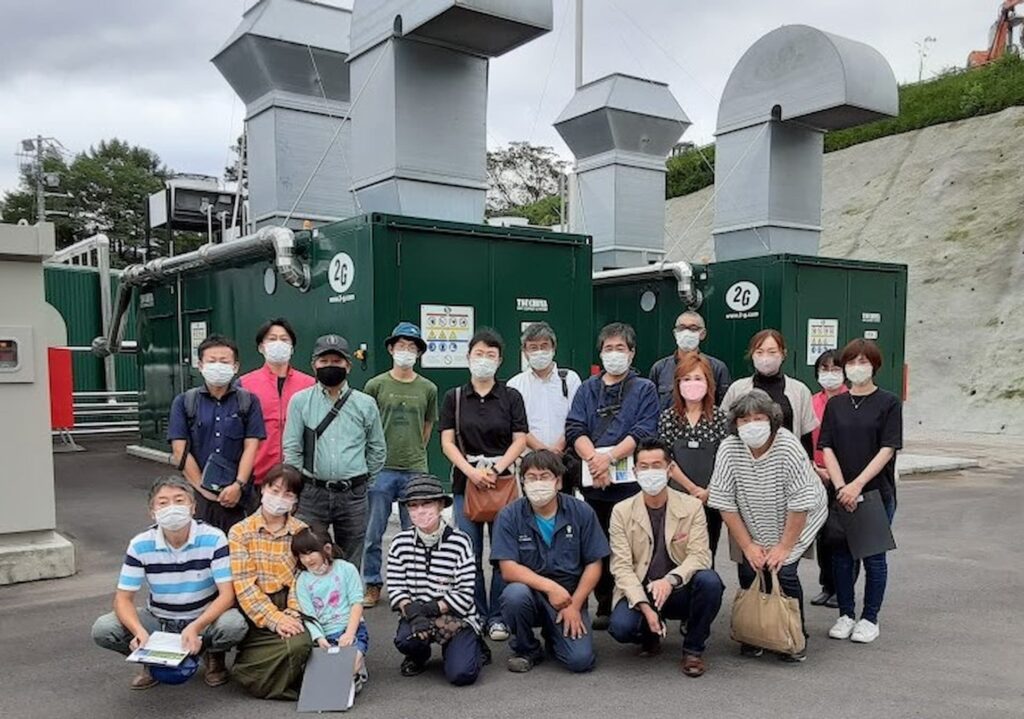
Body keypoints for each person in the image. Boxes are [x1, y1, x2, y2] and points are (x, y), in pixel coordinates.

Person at [91, 476, 247, 689]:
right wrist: (138, 631)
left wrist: (196, 627)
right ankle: (150, 661)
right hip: (159, 619)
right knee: (104, 629)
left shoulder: (214, 538)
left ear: (193, 507)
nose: (172, 508)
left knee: (233, 625)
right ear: (152, 512)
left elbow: (227, 595)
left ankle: (213, 655)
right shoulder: (140, 544)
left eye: (179, 500)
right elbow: (123, 599)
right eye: (163, 503)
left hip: (203, 619)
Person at [708, 389, 827, 662]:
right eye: (744, 420)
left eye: (758, 418)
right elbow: (724, 500)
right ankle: (754, 632)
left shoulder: (788, 446)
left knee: (783, 571)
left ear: (772, 419)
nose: (752, 425)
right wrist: (748, 546)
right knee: (750, 570)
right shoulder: (729, 447)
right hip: (751, 516)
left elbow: (800, 502)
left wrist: (784, 547)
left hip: (797, 518)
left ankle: (793, 635)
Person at [564, 322, 659, 628]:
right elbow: (574, 428)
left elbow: (644, 429)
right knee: (598, 545)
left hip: (630, 483)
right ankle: (604, 601)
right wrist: (595, 460)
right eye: (608, 348)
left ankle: (632, 599)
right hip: (594, 481)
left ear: (632, 353)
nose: (614, 354)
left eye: (620, 348)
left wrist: (610, 458)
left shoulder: (644, 389)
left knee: (633, 545)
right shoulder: (587, 389)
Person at [439, 328, 528, 642]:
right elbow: (447, 442)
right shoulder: (454, 397)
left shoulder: (511, 397)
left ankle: (499, 617)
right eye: (479, 353)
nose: (484, 360)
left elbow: (520, 439)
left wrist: (495, 468)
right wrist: (471, 472)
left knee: (503, 553)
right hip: (465, 485)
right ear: (468, 357)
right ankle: (475, 612)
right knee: (469, 554)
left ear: (500, 360)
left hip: (502, 483)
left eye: (491, 355)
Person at [607, 438, 724, 677]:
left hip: (679, 587)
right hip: (642, 587)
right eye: (644, 467)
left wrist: (670, 580)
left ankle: (693, 649)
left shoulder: (691, 506)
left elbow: (700, 556)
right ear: (635, 472)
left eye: (657, 466)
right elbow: (621, 567)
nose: (650, 472)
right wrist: (645, 607)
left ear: (670, 470)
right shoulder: (621, 511)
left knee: (710, 582)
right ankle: (649, 633)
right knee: (621, 628)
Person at [491, 450, 609, 673]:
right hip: (531, 594)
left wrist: (575, 604)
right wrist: (550, 587)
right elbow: (508, 568)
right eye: (531, 477)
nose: (538, 483)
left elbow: (595, 563)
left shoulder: (581, 512)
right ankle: (527, 649)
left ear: (558, 481)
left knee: (580, 661)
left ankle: (555, 637)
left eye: (544, 476)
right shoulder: (509, 515)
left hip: (569, 597)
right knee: (514, 595)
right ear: (522, 482)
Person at [819, 339, 902, 645]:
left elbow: (888, 448)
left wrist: (857, 485)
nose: (857, 367)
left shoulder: (888, 402)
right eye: (851, 362)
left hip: (875, 492)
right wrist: (842, 486)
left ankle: (869, 618)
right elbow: (826, 446)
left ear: (875, 365)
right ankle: (845, 613)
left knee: (873, 558)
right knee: (841, 556)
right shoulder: (836, 404)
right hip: (842, 492)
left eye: (863, 362)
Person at [283, 334, 386, 568]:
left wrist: (364, 482)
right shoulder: (300, 401)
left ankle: (348, 593)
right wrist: (298, 488)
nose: (330, 366)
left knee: (350, 559)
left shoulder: (365, 403)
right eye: (324, 361)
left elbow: (377, 448)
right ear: (314, 365)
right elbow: (292, 448)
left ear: (348, 366)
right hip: (312, 492)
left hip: (353, 494)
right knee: (308, 555)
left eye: (337, 361)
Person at [361, 322, 438, 608]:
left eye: (412, 347)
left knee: (417, 531)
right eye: (401, 346)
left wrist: (415, 449)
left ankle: (413, 585)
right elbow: (366, 424)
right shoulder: (375, 385)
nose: (406, 351)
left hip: (415, 468)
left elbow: (428, 425)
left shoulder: (428, 388)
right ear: (391, 349)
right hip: (381, 468)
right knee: (373, 533)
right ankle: (372, 583)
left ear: (418, 352)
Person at [386, 474, 485, 686]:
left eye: (427, 504)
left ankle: (471, 644)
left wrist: (429, 609)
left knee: (462, 675)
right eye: (413, 506)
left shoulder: (460, 541)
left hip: (455, 615)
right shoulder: (400, 542)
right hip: (416, 614)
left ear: (440, 505)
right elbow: (395, 587)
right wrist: (413, 613)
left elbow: (465, 593)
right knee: (405, 640)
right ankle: (419, 656)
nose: (420, 511)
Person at [228, 464, 313, 700]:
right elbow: (244, 585)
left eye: (288, 494)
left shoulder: (301, 531)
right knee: (295, 646)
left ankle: (269, 676)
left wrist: (293, 613)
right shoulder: (240, 531)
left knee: (303, 643)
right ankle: (252, 672)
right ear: (263, 489)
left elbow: (302, 577)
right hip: (256, 607)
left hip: (293, 602)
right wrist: (275, 619)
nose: (279, 498)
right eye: (275, 490)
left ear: (295, 500)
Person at [168, 334, 266, 533]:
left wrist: (238, 485)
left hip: (240, 498)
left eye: (224, 361)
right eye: (211, 361)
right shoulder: (184, 402)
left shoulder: (249, 402)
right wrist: (205, 491)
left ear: (235, 367)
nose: (218, 366)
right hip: (198, 498)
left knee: (239, 547)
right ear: (200, 365)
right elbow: (180, 451)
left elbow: (251, 447)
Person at [657, 353, 729, 562]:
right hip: (676, 497)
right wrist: (691, 489)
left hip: (710, 498)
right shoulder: (669, 417)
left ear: (708, 383)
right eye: (686, 379)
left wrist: (708, 491)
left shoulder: (719, 418)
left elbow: (725, 459)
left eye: (698, 378)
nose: (692, 384)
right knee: (675, 552)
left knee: (706, 553)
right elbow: (666, 457)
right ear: (677, 384)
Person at [239, 318, 315, 490]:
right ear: (261, 347)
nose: (278, 343)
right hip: (256, 477)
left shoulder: (310, 385)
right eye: (272, 339)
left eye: (284, 339)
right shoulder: (244, 385)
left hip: (299, 477)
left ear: (292, 348)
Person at [293, 527, 369, 694]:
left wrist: (349, 634)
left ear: (326, 549)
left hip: (349, 629)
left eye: (310, 553)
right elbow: (308, 614)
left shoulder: (346, 569)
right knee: (322, 678)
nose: (306, 559)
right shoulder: (302, 580)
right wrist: (319, 638)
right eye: (301, 555)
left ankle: (356, 668)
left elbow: (356, 603)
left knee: (350, 663)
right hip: (323, 635)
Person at [720, 329, 818, 458]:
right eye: (759, 352)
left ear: (783, 354)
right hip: (744, 461)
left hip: (787, 460)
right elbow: (725, 427)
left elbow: (806, 435)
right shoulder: (737, 389)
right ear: (752, 355)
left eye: (772, 352)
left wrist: (807, 461)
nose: (765, 358)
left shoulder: (799, 390)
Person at [808, 350, 849, 608]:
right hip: (818, 475)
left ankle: (843, 589)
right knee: (822, 535)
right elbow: (804, 439)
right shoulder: (812, 402)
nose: (830, 374)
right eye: (824, 369)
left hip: (845, 477)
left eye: (835, 369)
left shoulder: (852, 401)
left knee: (842, 536)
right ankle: (827, 585)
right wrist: (814, 469)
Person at [507, 321, 582, 459]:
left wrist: (558, 448)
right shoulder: (514, 384)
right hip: (528, 460)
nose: (539, 352)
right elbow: (516, 426)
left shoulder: (570, 379)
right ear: (524, 352)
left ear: (553, 348)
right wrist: (543, 451)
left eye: (544, 346)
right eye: (533, 347)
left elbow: (577, 419)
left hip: (565, 457)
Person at [649, 311, 731, 408]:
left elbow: (725, 406)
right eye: (682, 328)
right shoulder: (659, 368)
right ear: (675, 333)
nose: (686, 332)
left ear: (703, 334)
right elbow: (651, 406)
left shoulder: (717, 368)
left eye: (693, 328)